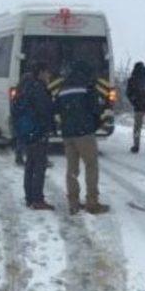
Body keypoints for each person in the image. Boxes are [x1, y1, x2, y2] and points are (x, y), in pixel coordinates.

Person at [55, 61, 109, 215]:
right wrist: (96, 122)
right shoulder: (88, 86)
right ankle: (92, 202)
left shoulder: (63, 87)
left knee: (72, 169)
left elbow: (57, 110)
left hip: (68, 134)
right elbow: (95, 109)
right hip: (84, 133)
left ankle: (73, 202)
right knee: (91, 166)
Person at [15, 63, 56, 210]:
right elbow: (44, 111)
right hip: (38, 132)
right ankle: (37, 199)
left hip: (28, 132)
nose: (49, 76)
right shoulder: (39, 89)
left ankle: (29, 197)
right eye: (47, 73)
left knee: (30, 165)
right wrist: (48, 127)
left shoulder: (26, 88)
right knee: (39, 166)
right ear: (41, 73)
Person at [126, 61, 145, 152]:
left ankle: (136, 145)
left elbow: (128, 93)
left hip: (138, 107)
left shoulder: (132, 79)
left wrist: (134, 102)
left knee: (137, 128)